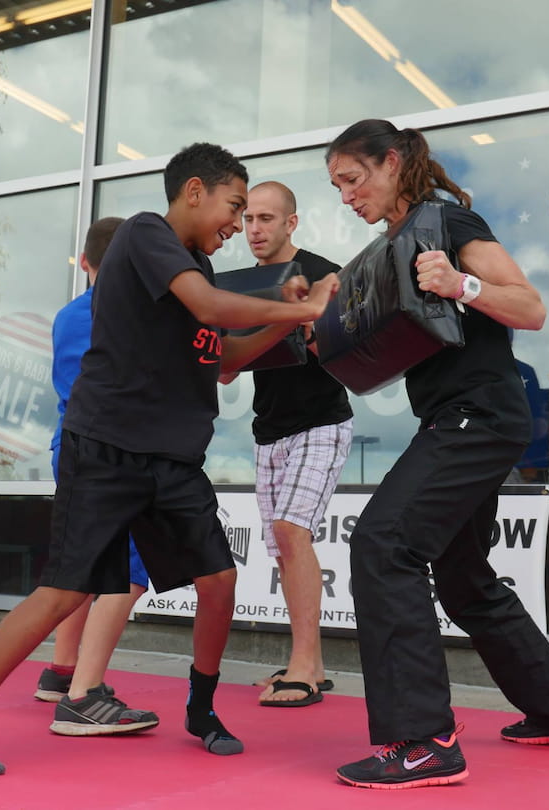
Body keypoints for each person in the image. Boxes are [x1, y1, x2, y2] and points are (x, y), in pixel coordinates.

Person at [0, 142, 339, 776]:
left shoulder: (197, 270)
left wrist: (287, 324)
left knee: (219, 583)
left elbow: (223, 362)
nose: (237, 222)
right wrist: (303, 305)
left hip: (173, 460)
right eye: (234, 206)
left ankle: (200, 709)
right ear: (194, 191)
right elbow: (210, 307)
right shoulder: (146, 236)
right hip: (105, 450)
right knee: (64, 593)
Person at [324, 119, 549, 790]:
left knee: (384, 543)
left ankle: (424, 742)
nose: (346, 196)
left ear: (392, 163)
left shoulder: (446, 224)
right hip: (459, 416)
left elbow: (529, 308)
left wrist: (460, 285)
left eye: (353, 180)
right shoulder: (395, 245)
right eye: (336, 187)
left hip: (481, 414)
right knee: (462, 574)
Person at [30, 216, 157, 736]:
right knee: (129, 569)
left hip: (74, 446)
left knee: (86, 563)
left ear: (84, 262)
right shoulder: (126, 313)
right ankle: (85, 693)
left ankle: (62, 672)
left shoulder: (67, 314)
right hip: (112, 451)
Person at [232, 181, 353, 707]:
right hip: (268, 429)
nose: (254, 229)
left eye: (265, 219)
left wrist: (317, 331)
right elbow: (225, 366)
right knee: (283, 546)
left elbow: (358, 344)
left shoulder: (326, 274)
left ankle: (303, 665)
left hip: (322, 421)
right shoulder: (240, 285)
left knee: (290, 529)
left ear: (290, 223)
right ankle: (312, 663)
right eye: (248, 220)